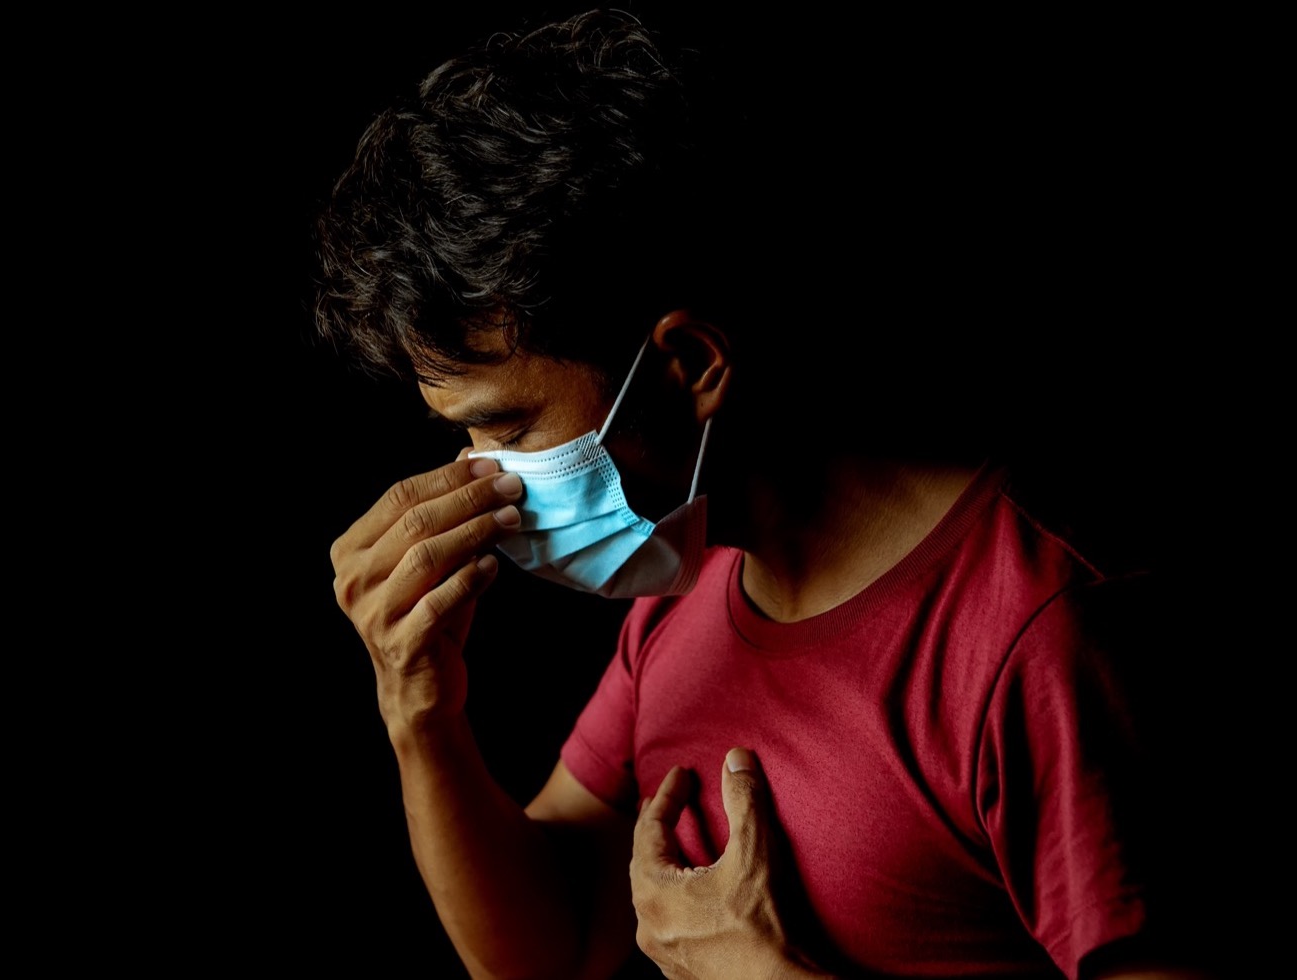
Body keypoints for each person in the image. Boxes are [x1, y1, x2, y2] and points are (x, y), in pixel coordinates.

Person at [312, 9, 1230, 978]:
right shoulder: (690, 584)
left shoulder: (1035, 626)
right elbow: (548, 946)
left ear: (691, 363)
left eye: (506, 427)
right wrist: (419, 710)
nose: (477, 473)